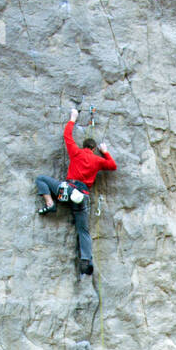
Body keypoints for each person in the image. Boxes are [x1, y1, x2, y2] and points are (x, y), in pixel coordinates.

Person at [35, 108, 116, 275]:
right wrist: (105, 151)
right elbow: (113, 166)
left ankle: (50, 203)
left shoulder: (76, 152)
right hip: (82, 197)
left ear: (84, 146)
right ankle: (86, 261)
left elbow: (67, 136)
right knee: (83, 230)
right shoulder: (97, 160)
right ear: (93, 149)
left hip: (67, 191)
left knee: (41, 179)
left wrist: (73, 118)